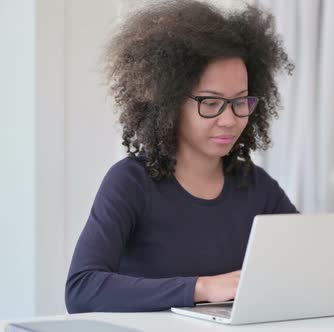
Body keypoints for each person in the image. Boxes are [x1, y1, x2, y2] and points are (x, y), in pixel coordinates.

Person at [65, 0, 297, 313]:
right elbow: (82, 289)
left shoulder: (255, 185)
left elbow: (305, 265)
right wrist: (202, 287)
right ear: (169, 103)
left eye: (240, 102)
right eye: (211, 103)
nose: (229, 120)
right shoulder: (131, 182)